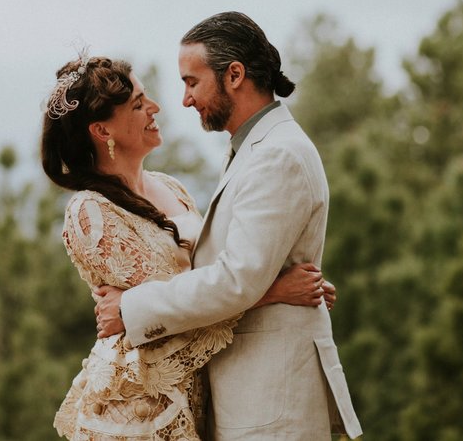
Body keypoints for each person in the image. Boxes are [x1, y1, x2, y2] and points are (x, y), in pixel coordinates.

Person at [94, 12, 363, 439]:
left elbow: (237, 279)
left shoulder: (277, 155)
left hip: (271, 403)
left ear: (234, 74)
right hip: (252, 398)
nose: (184, 99)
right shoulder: (253, 148)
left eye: (192, 82)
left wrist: (130, 309)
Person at [41, 54, 336, 440]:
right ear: (102, 131)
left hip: (194, 399)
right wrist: (274, 291)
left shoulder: (171, 188)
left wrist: (266, 272)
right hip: (137, 411)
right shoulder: (90, 213)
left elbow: (204, 281)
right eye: (137, 104)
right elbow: (171, 317)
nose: (155, 107)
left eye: (145, 96)